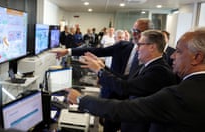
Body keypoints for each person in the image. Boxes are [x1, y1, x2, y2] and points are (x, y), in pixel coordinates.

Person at [66, 27, 205, 132]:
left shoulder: (165, 77)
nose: (173, 56)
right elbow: (125, 80)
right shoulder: (148, 66)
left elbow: (126, 94)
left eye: (179, 51)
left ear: (197, 57)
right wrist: (102, 67)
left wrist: (81, 99)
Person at [51, 18, 153, 132]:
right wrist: (69, 51)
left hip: (132, 104)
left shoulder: (151, 61)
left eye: (139, 31)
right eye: (133, 30)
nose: (134, 34)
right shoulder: (123, 46)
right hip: (112, 97)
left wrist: (101, 69)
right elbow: (97, 51)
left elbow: (129, 83)